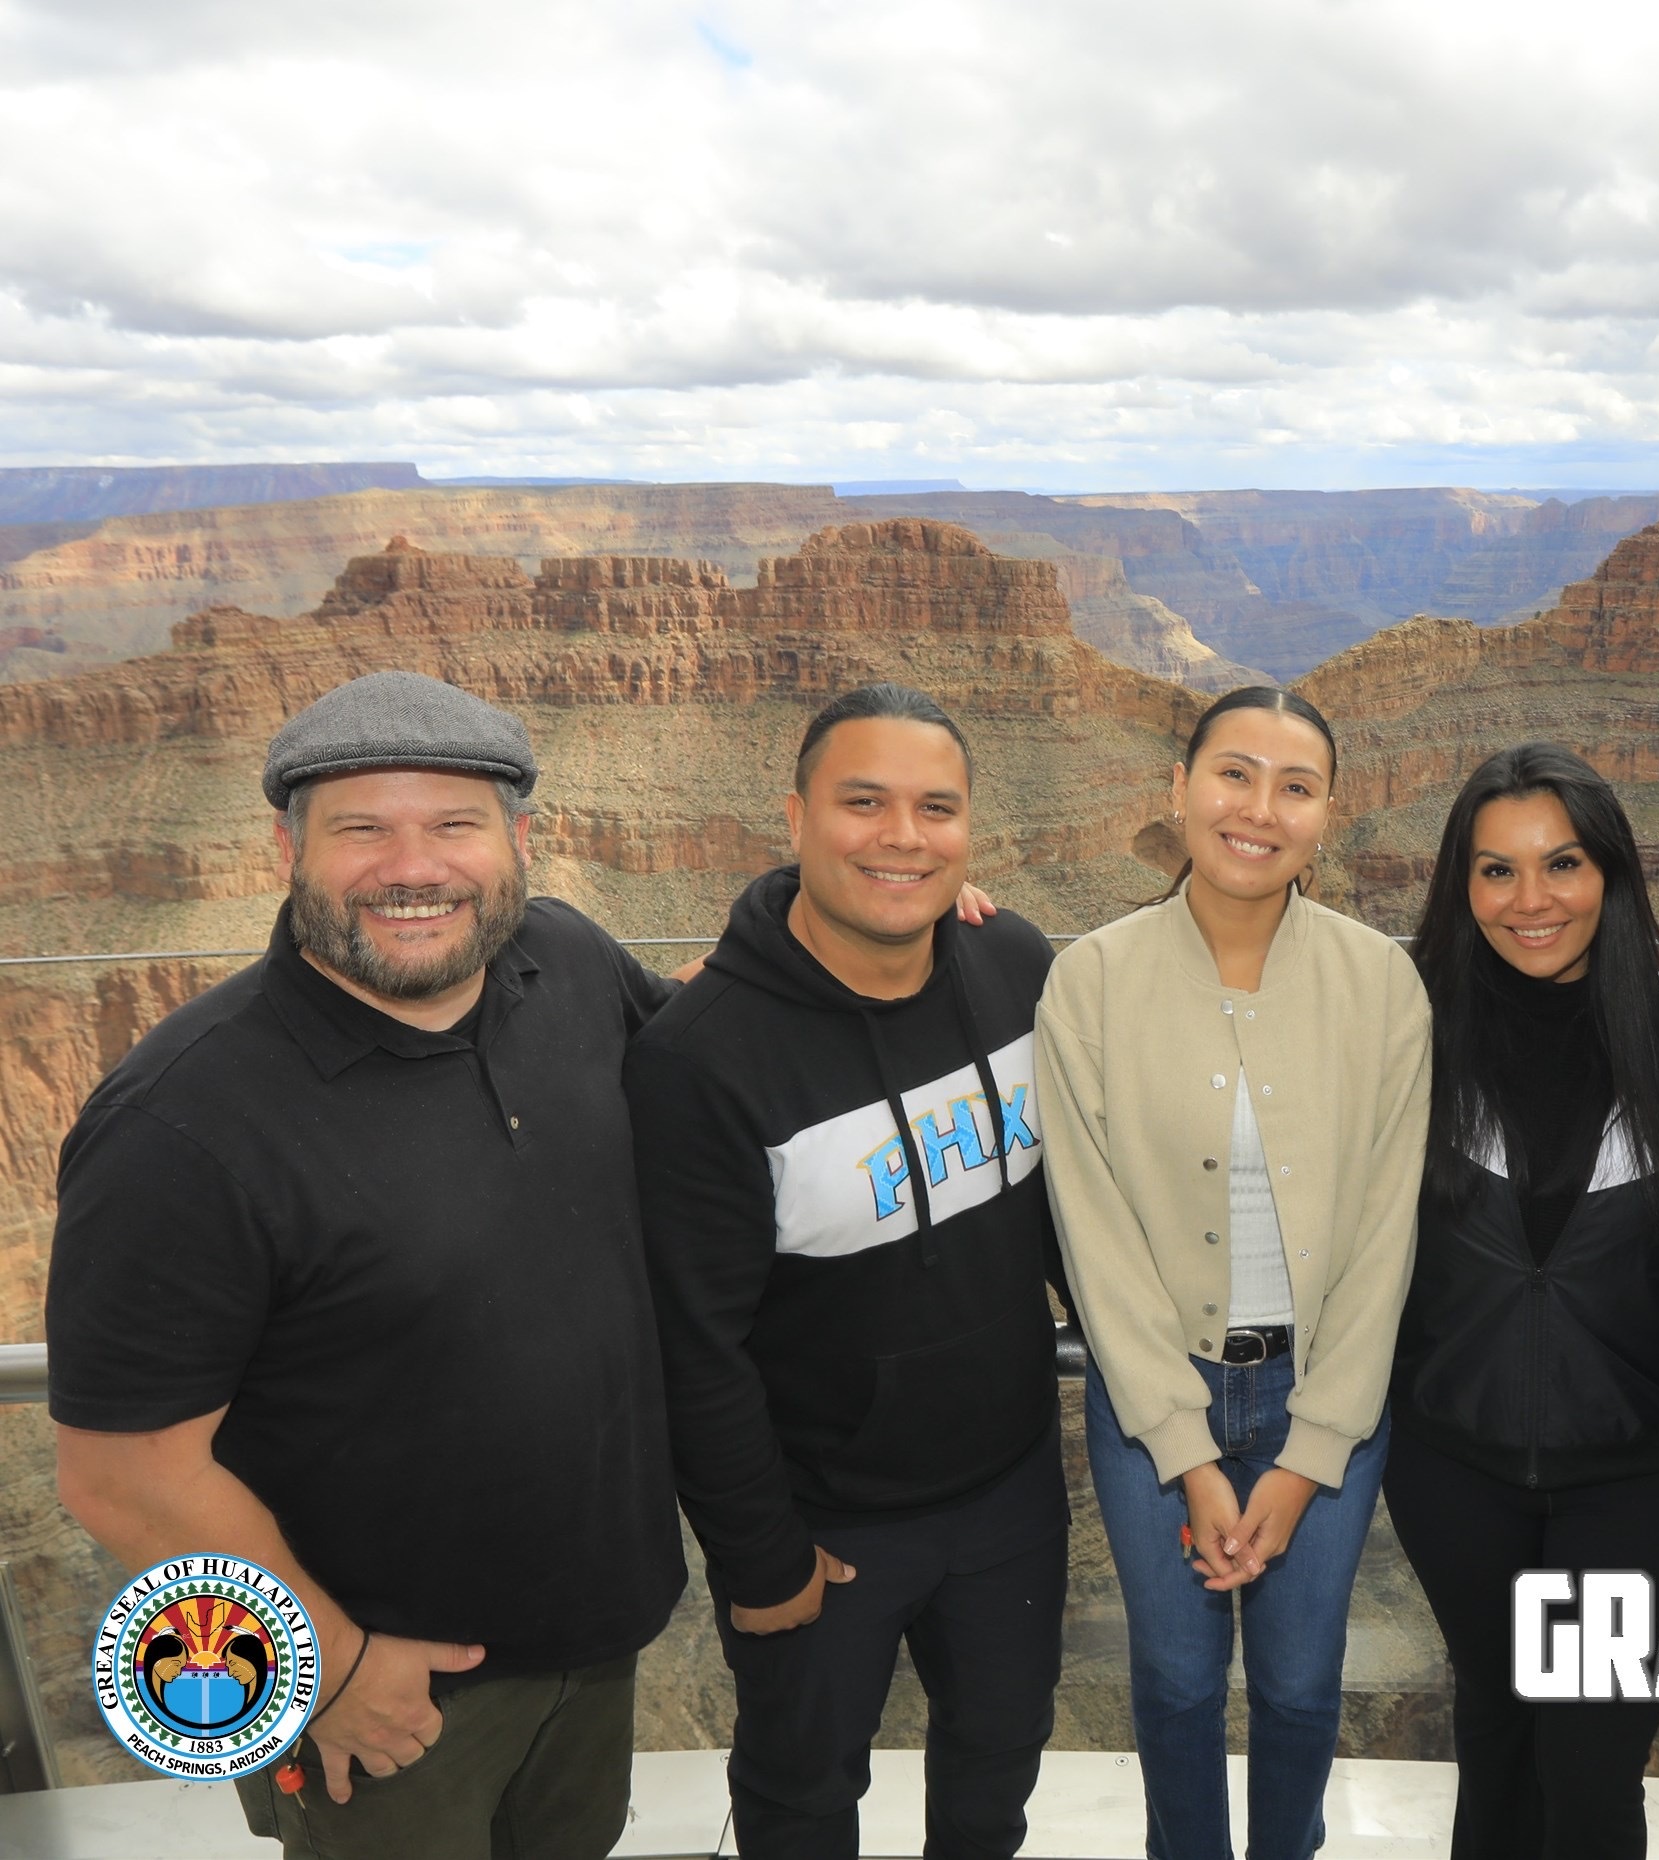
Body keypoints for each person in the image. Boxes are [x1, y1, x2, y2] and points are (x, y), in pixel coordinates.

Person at [47, 670, 688, 1860]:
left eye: (453, 824)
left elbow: (716, 1055)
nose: (412, 867)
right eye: (362, 829)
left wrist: (882, 912)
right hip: (385, 1697)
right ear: (288, 848)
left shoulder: (568, 963)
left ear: (519, 840)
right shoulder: (183, 1123)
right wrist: (328, 1669)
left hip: (593, 1642)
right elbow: (118, 1476)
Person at [625, 683, 1070, 1860]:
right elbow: (694, 1341)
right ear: (795, 814)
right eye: (861, 802)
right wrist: (759, 1555)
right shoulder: (700, 1061)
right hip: (825, 1527)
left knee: (994, 1775)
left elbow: (1075, 1207)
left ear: (969, 829)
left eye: (935, 808)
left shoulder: (1012, 962)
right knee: (801, 1799)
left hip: (1012, 1490)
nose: (900, 836)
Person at [1034, 686, 1429, 1860]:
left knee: (1304, 1691)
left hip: (1328, 1399)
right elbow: (1091, 1235)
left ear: (1325, 817)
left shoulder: (1381, 986)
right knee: (1173, 1688)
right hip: (1154, 1395)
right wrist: (1186, 1449)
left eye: (1293, 787)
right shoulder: (1090, 981)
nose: (1258, 810)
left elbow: (1382, 1239)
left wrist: (1310, 1458)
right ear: (1179, 791)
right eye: (1233, 775)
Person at [1385, 743, 1659, 1860]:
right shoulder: (1407, 1030)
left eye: (1561, 864)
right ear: (1458, 885)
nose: (1530, 902)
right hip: (1451, 1468)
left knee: (1589, 1766)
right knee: (1494, 1732)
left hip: (1635, 1478)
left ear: (1611, 875)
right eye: (1495, 871)